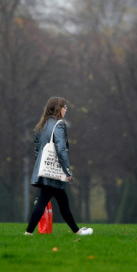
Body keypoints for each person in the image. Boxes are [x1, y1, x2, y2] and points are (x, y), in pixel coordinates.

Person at [24, 97, 92, 236]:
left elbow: (37, 149)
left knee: (60, 203)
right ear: (58, 109)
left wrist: (42, 165)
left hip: (44, 170)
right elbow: (61, 149)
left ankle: (77, 231)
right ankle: (29, 232)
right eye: (64, 107)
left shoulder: (42, 125)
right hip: (54, 171)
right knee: (50, 203)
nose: (66, 110)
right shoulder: (59, 124)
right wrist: (67, 170)